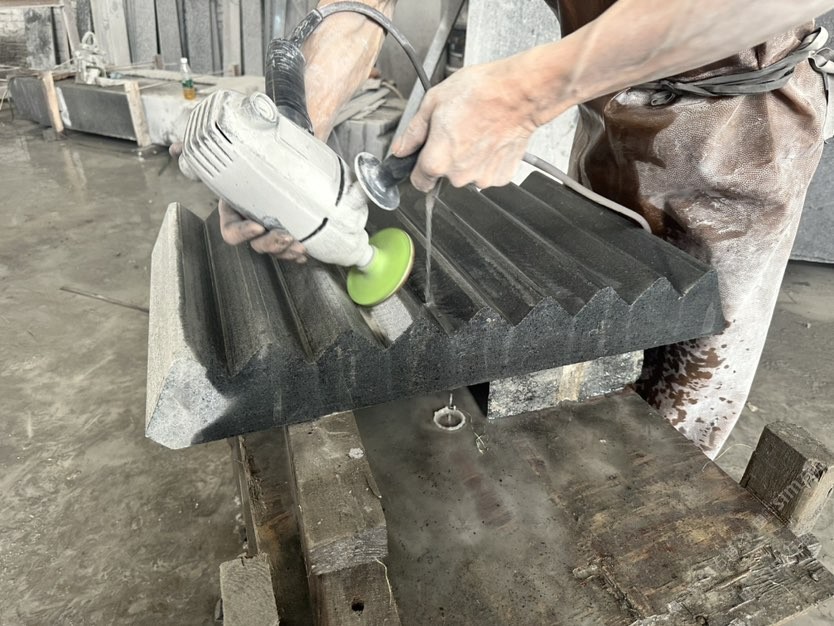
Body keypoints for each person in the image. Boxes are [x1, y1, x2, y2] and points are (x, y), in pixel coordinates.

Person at [211, 0, 834, 458]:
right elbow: (359, 9)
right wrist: (293, 142)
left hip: (738, 125)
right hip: (612, 101)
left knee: (682, 380)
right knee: (591, 333)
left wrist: (525, 95)